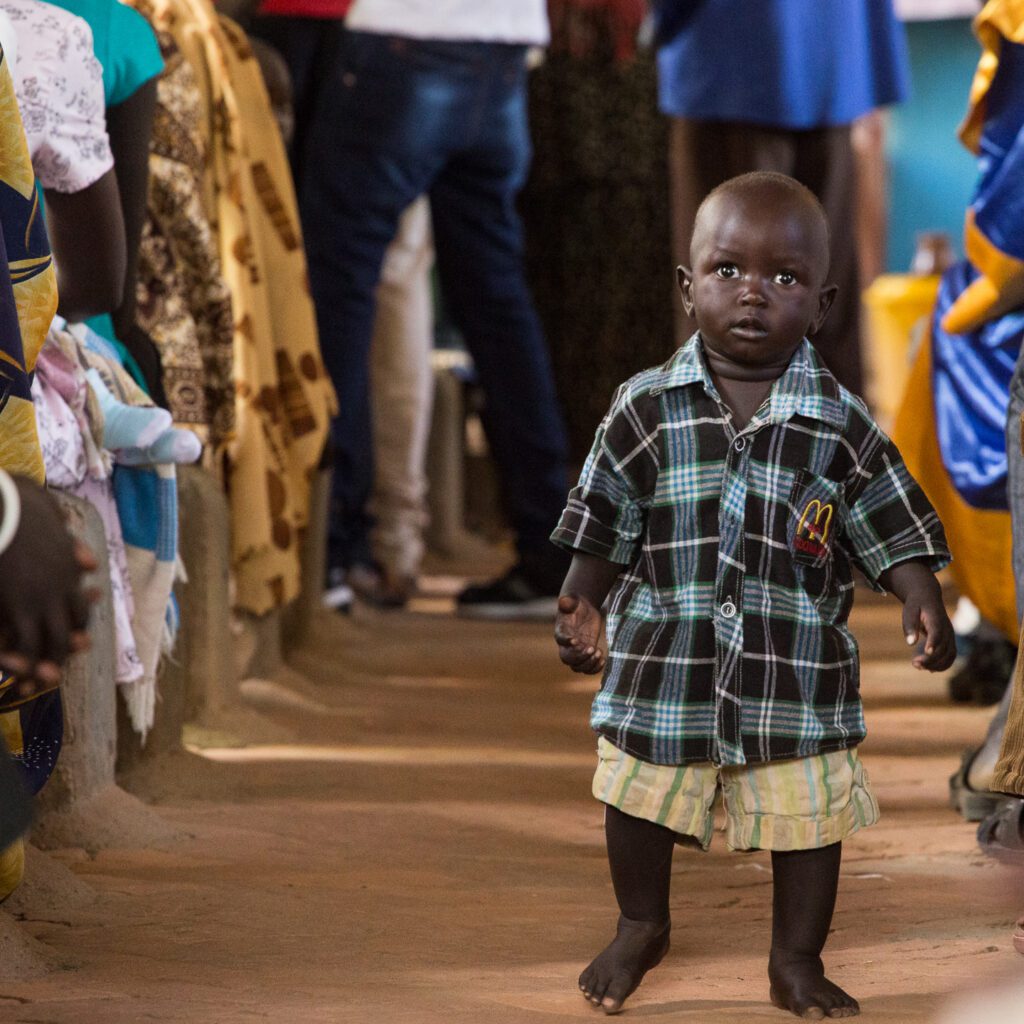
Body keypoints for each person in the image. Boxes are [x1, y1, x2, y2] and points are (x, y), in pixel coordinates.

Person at [551, 172, 955, 1017]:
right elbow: (604, 517)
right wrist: (583, 599)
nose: (751, 294)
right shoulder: (644, 409)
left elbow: (887, 516)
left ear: (822, 302)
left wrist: (919, 593)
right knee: (636, 794)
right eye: (728, 269)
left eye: (784, 279)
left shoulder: (840, 424)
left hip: (793, 675)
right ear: (687, 286)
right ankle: (641, 922)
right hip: (665, 666)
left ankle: (796, 960)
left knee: (811, 817)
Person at [300, 0, 571, 620]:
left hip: (402, 37)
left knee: (342, 288)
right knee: (497, 300)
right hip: (505, 47)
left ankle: (334, 552)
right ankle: (550, 550)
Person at [654, 0, 910, 397]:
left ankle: (725, 452)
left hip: (730, 48)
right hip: (833, 44)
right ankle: (837, 451)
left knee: (726, 297)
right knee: (824, 293)